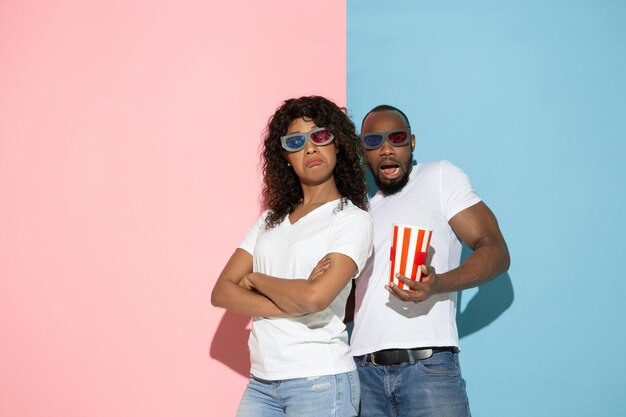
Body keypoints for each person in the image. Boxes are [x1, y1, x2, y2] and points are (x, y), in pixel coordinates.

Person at [211, 96, 373, 417]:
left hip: (320, 380)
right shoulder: (270, 220)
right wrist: (292, 298)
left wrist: (255, 280)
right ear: (285, 156)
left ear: (337, 144)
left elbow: (315, 298)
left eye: (320, 136)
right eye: (296, 141)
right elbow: (221, 292)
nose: (310, 148)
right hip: (262, 382)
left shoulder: (351, 220)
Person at [349, 105, 510, 417]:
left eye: (396, 138)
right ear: (362, 151)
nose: (385, 149)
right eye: (373, 141)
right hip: (363, 374)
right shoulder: (362, 214)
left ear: (412, 143)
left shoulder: (439, 177)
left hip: (426, 369)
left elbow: (496, 251)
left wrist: (439, 283)